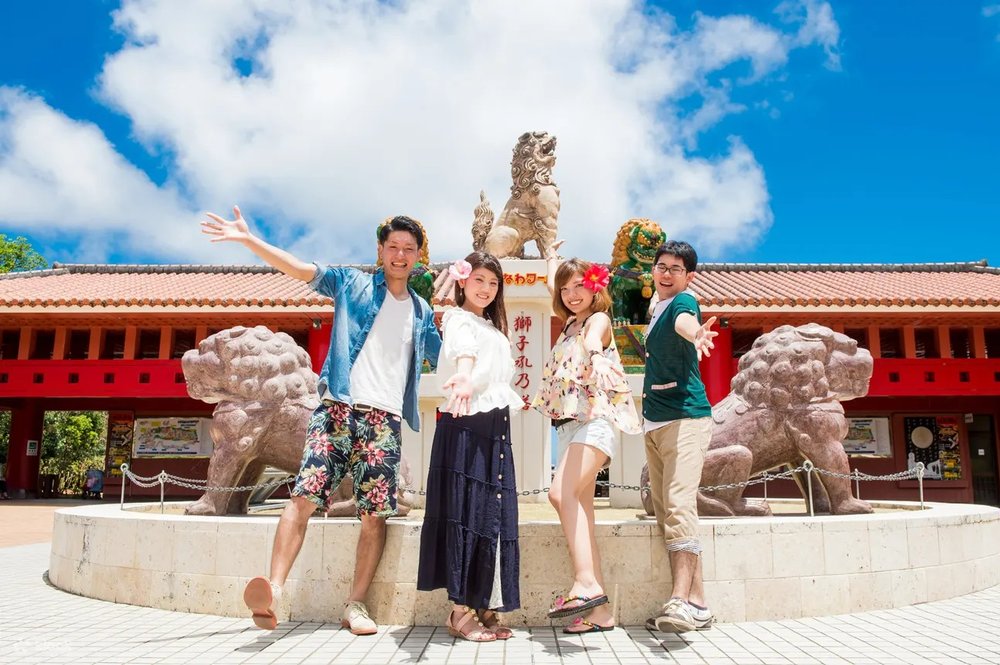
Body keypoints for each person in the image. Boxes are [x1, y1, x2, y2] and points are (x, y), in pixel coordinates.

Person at [201, 207, 442, 634]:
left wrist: (462, 305)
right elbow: (298, 269)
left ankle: (356, 604)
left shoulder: (422, 311)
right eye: (393, 247)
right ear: (381, 250)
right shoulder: (350, 282)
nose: (400, 255)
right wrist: (248, 239)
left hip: (384, 421)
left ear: (418, 255)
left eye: (409, 249)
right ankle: (273, 589)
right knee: (303, 499)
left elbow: (446, 357)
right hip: (337, 411)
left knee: (374, 516)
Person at [532, 247, 641, 634]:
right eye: (565, 289)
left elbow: (595, 339)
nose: (572, 294)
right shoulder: (568, 325)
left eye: (580, 286)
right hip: (567, 428)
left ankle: (585, 583)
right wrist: (550, 260)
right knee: (582, 508)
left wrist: (595, 355)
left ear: (596, 290)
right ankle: (600, 612)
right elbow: (552, 283)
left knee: (559, 494)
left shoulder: (596, 320)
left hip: (593, 422)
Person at [417, 252, 523, 642]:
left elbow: (494, 370)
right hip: (465, 421)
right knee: (465, 511)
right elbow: (465, 353)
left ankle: (481, 603)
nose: (486, 288)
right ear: (463, 282)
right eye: (479, 280)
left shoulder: (493, 327)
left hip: (494, 425)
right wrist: (463, 378)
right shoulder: (459, 318)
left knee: (491, 513)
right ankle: (459, 611)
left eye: (493, 283)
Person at [641, 240, 718, 633]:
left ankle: (678, 601)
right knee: (666, 510)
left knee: (678, 503)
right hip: (654, 422)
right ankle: (699, 603)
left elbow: (685, 323)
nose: (666, 272)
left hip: (686, 418)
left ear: (688, 276)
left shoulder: (682, 304)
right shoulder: (653, 309)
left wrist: (696, 335)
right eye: (661, 266)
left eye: (675, 268)